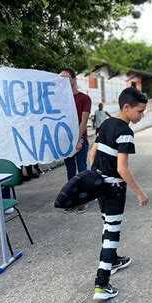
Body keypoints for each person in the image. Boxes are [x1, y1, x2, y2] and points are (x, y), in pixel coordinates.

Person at [89, 87, 150, 300]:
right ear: (126, 107)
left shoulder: (105, 124)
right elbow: (122, 168)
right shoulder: (126, 132)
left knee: (108, 225)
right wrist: (140, 193)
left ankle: (113, 260)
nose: (142, 115)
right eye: (140, 111)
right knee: (112, 233)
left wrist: (96, 175)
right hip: (114, 189)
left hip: (100, 187)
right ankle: (101, 283)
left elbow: (93, 152)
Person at [60, 68, 92, 214]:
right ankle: (71, 199)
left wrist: (77, 141)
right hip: (65, 142)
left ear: (74, 79)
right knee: (70, 171)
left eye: (66, 77)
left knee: (82, 170)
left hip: (80, 140)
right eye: (61, 78)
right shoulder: (59, 100)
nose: (64, 80)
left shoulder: (84, 99)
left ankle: (83, 200)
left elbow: (83, 121)